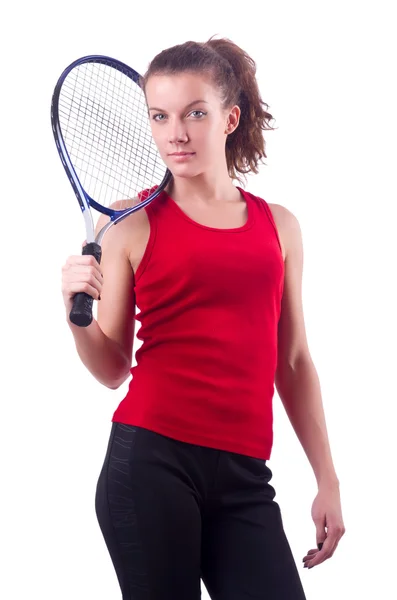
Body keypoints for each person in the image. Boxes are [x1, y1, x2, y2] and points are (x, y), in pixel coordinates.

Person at [61, 37, 345, 600]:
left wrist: (327, 479)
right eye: (160, 116)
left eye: (195, 113)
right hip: (150, 464)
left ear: (229, 117)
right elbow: (113, 368)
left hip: (244, 478)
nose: (176, 134)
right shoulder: (129, 226)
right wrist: (77, 317)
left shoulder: (279, 226)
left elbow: (292, 361)